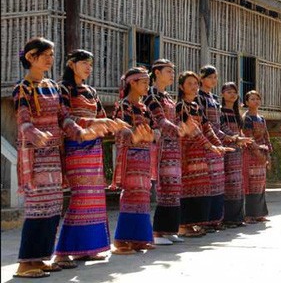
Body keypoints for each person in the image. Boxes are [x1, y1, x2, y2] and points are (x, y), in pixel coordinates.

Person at [12, 38, 108, 279]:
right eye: (45, 54)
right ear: (31, 57)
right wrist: (35, 133)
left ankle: (42, 258)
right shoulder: (23, 88)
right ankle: (25, 263)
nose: (50, 59)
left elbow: (64, 118)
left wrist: (84, 132)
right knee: (37, 209)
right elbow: (23, 120)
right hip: (35, 156)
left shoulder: (52, 87)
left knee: (53, 208)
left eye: (52, 55)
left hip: (54, 155)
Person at [54, 50, 127, 267]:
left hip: (94, 147)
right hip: (75, 146)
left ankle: (86, 249)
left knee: (95, 197)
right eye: (84, 63)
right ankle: (62, 252)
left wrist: (113, 124)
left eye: (91, 64)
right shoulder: (64, 88)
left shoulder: (91, 91)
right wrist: (91, 123)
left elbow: (101, 117)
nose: (88, 67)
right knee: (80, 197)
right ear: (71, 64)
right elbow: (65, 117)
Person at [110, 67, 159, 254]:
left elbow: (154, 131)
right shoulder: (124, 106)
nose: (147, 86)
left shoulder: (144, 107)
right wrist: (137, 135)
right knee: (131, 195)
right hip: (130, 156)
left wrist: (152, 134)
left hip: (145, 156)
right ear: (133, 83)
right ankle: (122, 240)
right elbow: (121, 130)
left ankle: (139, 239)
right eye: (145, 82)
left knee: (143, 196)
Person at [176, 71, 230, 237]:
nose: (193, 87)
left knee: (200, 187)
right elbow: (195, 131)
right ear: (181, 87)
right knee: (187, 188)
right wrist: (211, 147)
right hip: (186, 153)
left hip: (199, 154)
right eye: (189, 84)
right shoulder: (180, 106)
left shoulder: (196, 107)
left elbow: (207, 129)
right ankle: (183, 225)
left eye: (195, 84)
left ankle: (195, 224)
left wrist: (218, 144)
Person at [144, 59, 191, 245]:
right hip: (161, 145)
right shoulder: (151, 94)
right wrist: (180, 129)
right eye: (168, 71)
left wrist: (183, 128)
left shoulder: (168, 97)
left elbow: (174, 119)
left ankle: (170, 229)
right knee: (164, 187)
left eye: (173, 71)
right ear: (156, 72)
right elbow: (160, 120)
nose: (172, 74)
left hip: (174, 146)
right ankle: (158, 232)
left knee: (174, 187)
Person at [197, 65, 235, 231]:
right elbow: (204, 123)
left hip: (217, 141)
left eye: (215, 77)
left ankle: (216, 219)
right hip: (207, 143)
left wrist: (230, 137)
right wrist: (221, 137)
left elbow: (219, 123)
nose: (213, 80)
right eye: (210, 77)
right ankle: (204, 221)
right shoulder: (199, 97)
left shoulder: (214, 98)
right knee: (208, 182)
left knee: (218, 182)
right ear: (202, 78)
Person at [219, 82, 253, 227]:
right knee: (228, 183)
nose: (232, 95)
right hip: (227, 149)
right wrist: (235, 138)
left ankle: (238, 217)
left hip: (238, 150)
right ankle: (228, 218)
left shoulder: (236, 112)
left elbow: (239, 130)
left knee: (238, 183)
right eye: (228, 92)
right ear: (222, 94)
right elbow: (222, 128)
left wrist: (241, 139)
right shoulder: (220, 111)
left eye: (234, 92)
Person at [241, 90, 273, 223]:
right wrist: (259, 153)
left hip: (262, 155)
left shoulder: (261, 118)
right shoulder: (246, 118)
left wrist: (268, 155)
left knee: (260, 185)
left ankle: (259, 213)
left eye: (257, 99)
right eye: (252, 99)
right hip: (251, 155)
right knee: (250, 185)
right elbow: (248, 138)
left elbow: (266, 136)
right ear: (247, 102)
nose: (255, 101)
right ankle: (249, 215)